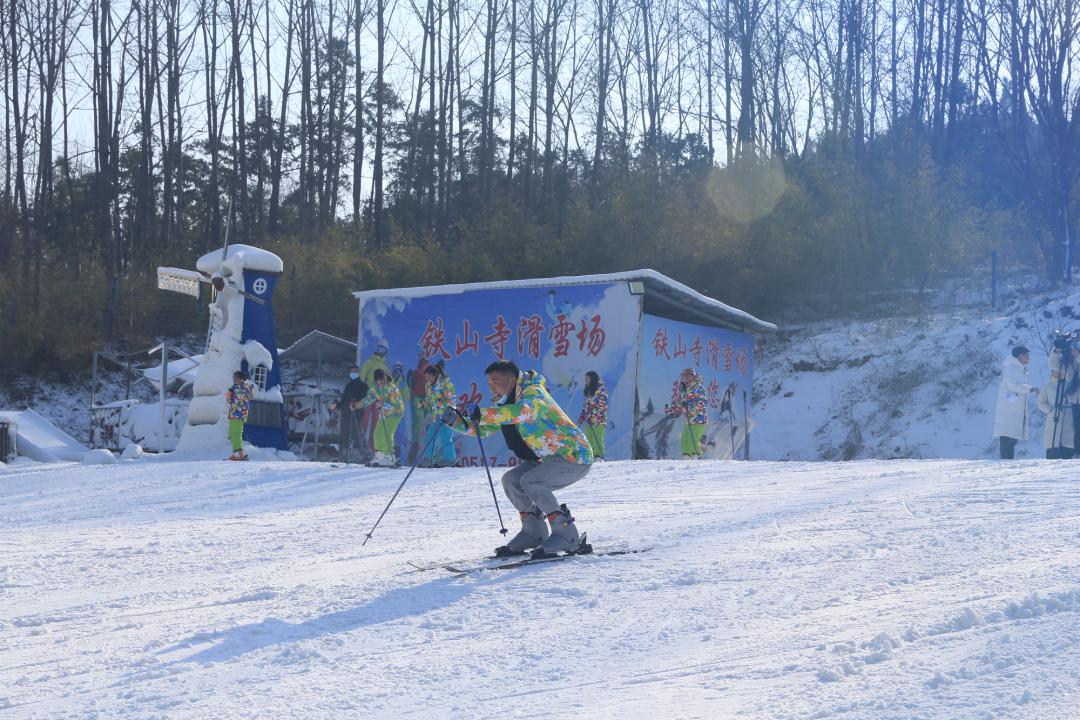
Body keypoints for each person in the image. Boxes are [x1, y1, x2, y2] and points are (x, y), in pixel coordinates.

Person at [445, 359, 593, 559]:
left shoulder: (533, 394)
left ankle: (567, 534)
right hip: (546, 459)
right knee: (511, 481)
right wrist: (457, 422)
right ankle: (534, 532)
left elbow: (523, 413)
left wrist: (485, 413)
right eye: (489, 383)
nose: (491, 387)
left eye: (495, 381)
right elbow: (486, 428)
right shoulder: (505, 403)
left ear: (512, 379)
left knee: (531, 481)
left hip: (574, 455)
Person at [993, 346, 1037, 459]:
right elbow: (1012, 385)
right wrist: (1030, 389)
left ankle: (1007, 459)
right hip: (1009, 408)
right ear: (1020, 356)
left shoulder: (1019, 368)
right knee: (1007, 436)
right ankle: (1006, 460)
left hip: (1012, 407)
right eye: (1027, 355)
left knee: (1011, 437)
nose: (1028, 358)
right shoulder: (1013, 368)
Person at [359, 368, 405, 466]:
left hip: (395, 413)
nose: (381, 382)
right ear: (376, 380)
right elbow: (368, 399)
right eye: (379, 380)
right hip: (384, 414)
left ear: (385, 377)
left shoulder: (392, 388)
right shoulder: (375, 387)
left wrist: (382, 403)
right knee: (377, 433)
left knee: (388, 433)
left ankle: (389, 457)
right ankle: (380, 456)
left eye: (383, 379)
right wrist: (356, 405)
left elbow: (396, 404)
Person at [420, 363, 458, 467]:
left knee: (445, 437)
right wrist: (424, 402)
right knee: (429, 437)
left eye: (429, 376)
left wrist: (448, 409)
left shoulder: (445, 384)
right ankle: (428, 459)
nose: (428, 379)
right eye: (426, 377)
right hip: (435, 416)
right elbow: (429, 398)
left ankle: (450, 460)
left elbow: (452, 399)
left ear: (435, 375)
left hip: (446, 416)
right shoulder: (428, 386)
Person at [673, 367, 708, 459]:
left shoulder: (698, 388)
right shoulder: (685, 389)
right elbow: (682, 403)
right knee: (684, 440)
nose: (687, 378)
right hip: (689, 419)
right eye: (685, 376)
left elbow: (702, 403)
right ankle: (687, 459)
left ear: (694, 376)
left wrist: (687, 406)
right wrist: (678, 403)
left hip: (699, 418)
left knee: (693, 440)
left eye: (689, 376)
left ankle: (697, 458)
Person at [1036, 378, 1075, 459]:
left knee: (1067, 459)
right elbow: (1040, 402)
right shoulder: (1047, 386)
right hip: (1053, 422)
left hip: (1068, 422)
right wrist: (1051, 410)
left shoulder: (1071, 385)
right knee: (1052, 458)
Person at [338, 364, 370, 460]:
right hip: (346, 413)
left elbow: (364, 399)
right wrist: (337, 405)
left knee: (356, 433)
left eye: (355, 372)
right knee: (345, 433)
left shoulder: (363, 386)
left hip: (357, 413)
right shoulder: (348, 386)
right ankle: (345, 453)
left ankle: (357, 453)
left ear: (359, 373)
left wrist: (355, 402)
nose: (353, 374)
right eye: (352, 372)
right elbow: (344, 399)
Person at [578, 371, 609, 460]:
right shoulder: (588, 391)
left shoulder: (600, 390)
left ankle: (598, 457)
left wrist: (594, 416)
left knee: (597, 439)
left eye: (588, 379)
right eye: (585, 379)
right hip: (588, 421)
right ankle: (590, 458)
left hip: (598, 420)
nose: (586, 381)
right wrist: (582, 417)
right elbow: (586, 406)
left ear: (593, 379)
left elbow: (602, 406)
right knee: (588, 439)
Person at [225, 370, 255, 461]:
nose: (233, 379)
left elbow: (239, 399)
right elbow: (230, 401)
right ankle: (236, 454)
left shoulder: (245, 387)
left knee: (236, 434)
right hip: (233, 414)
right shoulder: (235, 387)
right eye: (233, 378)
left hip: (239, 414)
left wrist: (231, 392)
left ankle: (241, 454)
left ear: (240, 379)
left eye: (235, 378)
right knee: (231, 434)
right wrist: (229, 394)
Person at [408, 354, 432, 464]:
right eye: (424, 366)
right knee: (419, 419)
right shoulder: (417, 373)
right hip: (419, 399)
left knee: (426, 419)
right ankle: (416, 444)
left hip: (424, 399)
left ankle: (422, 445)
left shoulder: (427, 374)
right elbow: (411, 385)